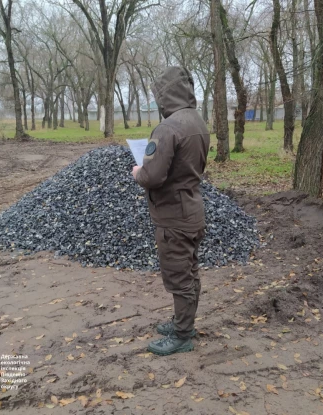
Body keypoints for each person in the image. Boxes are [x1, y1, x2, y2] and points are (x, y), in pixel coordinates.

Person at [132, 66, 210, 356]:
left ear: (165, 95)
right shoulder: (197, 121)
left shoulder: (168, 128)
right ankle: (182, 322)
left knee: (179, 275)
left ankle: (182, 335)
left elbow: (152, 177)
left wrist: (139, 171)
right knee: (188, 270)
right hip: (192, 207)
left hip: (173, 216)